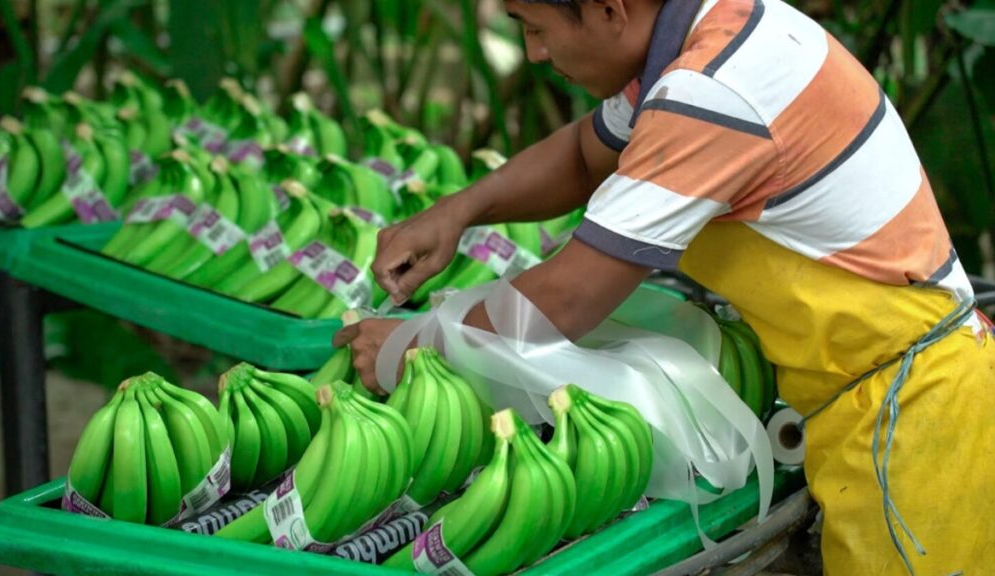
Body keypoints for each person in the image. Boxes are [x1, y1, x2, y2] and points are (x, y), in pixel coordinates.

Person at [334, 0, 995, 573]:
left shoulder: (714, 90)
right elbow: (580, 157)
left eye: (534, 27)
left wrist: (412, 345)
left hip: (915, 423)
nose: (534, 53)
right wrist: (456, 211)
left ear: (609, 9)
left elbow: (571, 296)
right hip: (873, 397)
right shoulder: (705, 41)